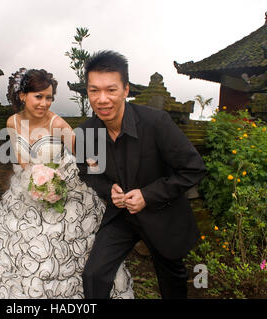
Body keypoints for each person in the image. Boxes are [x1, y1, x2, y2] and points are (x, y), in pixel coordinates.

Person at [0, 68, 134, 299]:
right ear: (23, 96)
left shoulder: (56, 122)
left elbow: (81, 153)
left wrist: (64, 178)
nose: (44, 103)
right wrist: (36, 181)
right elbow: (21, 161)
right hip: (26, 191)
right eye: (39, 96)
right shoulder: (12, 122)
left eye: (49, 98)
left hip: (62, 190)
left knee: (60, 246)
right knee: (13, 247)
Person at [77, 51, 207, 299]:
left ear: (126, 90)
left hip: (162, 214)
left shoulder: (156, 122)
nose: (102, 99)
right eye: (94, 90)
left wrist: (148, 195)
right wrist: (109, 189)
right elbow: (88, 172)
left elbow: (193, 168)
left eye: (111, 90)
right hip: (122, 216)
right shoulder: (85, 132)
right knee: (94, 275)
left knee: (172, 282)